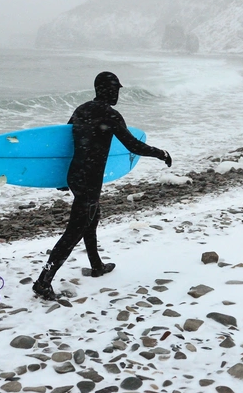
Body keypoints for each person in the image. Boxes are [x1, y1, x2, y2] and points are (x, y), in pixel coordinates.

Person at [33, 71, 172, 300]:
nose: (118, 93)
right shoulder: (110, 115)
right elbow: (133, 145)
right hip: (89, 179)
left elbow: (65, 143)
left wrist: (61, 179)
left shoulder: (82, 109)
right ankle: (43, 281)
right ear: (106, 89)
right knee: (74, 232)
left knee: (92, 218)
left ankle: (96, 265)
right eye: (115, 88)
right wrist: (161, 153)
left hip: (76, 175)